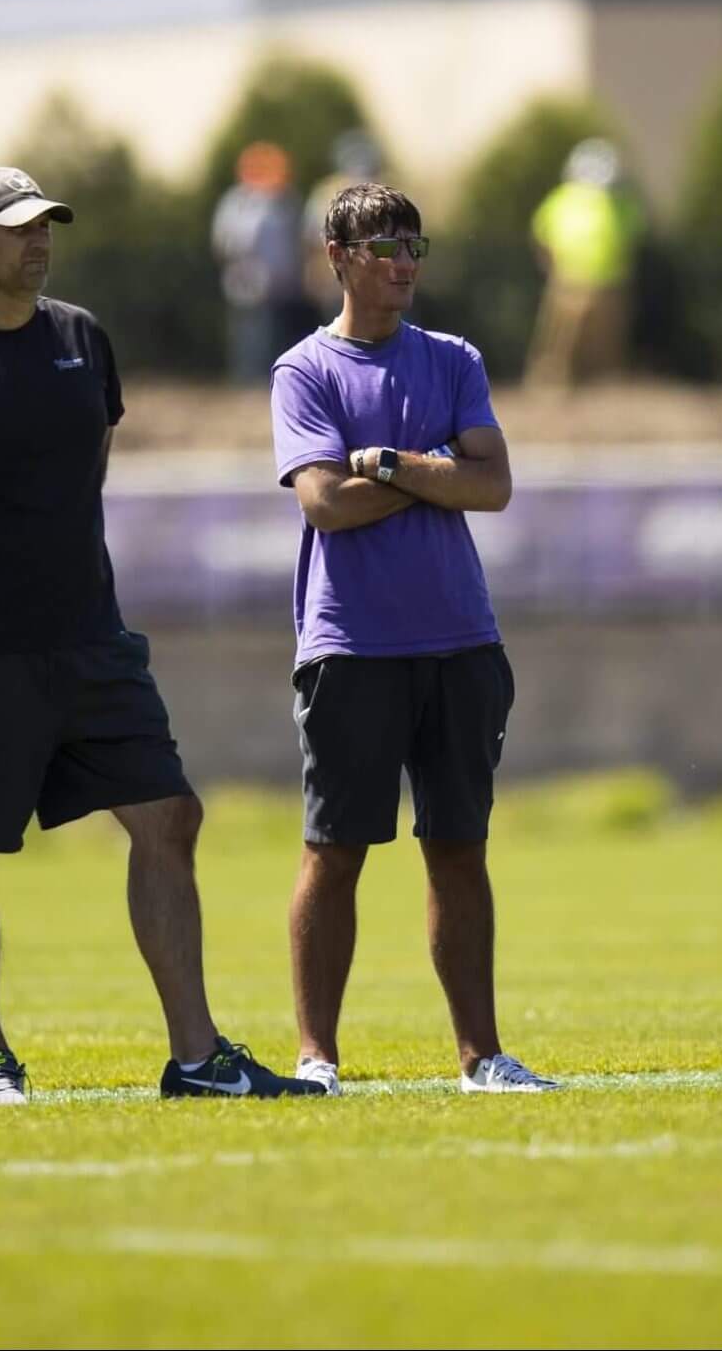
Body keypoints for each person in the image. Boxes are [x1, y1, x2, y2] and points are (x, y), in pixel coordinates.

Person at [0, 166, 323, 1106]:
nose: (39, 240)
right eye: (18, 227)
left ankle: (195, 1059)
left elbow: (88, 466)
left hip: (90, 641)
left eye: (46, 226)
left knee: (169, 816)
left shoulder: (81, 340)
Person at [271, 181, 558, 1097]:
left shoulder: (454, 359)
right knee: (335, 851)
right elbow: (325, 504)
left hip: (460, 641)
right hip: (351, 647)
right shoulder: (304, 372)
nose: (402, 263)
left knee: (459, 848)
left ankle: (483, 1057)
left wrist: (392, 464)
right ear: (338, 257)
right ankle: (317, 1057)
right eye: (384, 246)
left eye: (413, 246)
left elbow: (495, 485)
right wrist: (439, 471)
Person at [527, 138, 642, 388]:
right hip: (572, 280)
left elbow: (540, 235)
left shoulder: (617, 202)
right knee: (562, 341)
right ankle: (553, 382)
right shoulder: (564, 199)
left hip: (604, 282)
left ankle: (597, 384)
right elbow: (542, 234)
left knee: (601, 342)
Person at [211, 141, 305, 386]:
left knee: (277, 332)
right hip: (246, 280)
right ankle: (248, 380)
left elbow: (295, 242)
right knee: (250, 331)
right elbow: (224, 241)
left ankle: (273, 379)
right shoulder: (237, 201)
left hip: (281, 282)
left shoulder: (286, 202)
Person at [300, 129, 384, 317]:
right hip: (338, 285)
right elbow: (313, 241)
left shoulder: (388, 191)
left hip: (383, 283)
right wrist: (314, 277)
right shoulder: (327, 193)